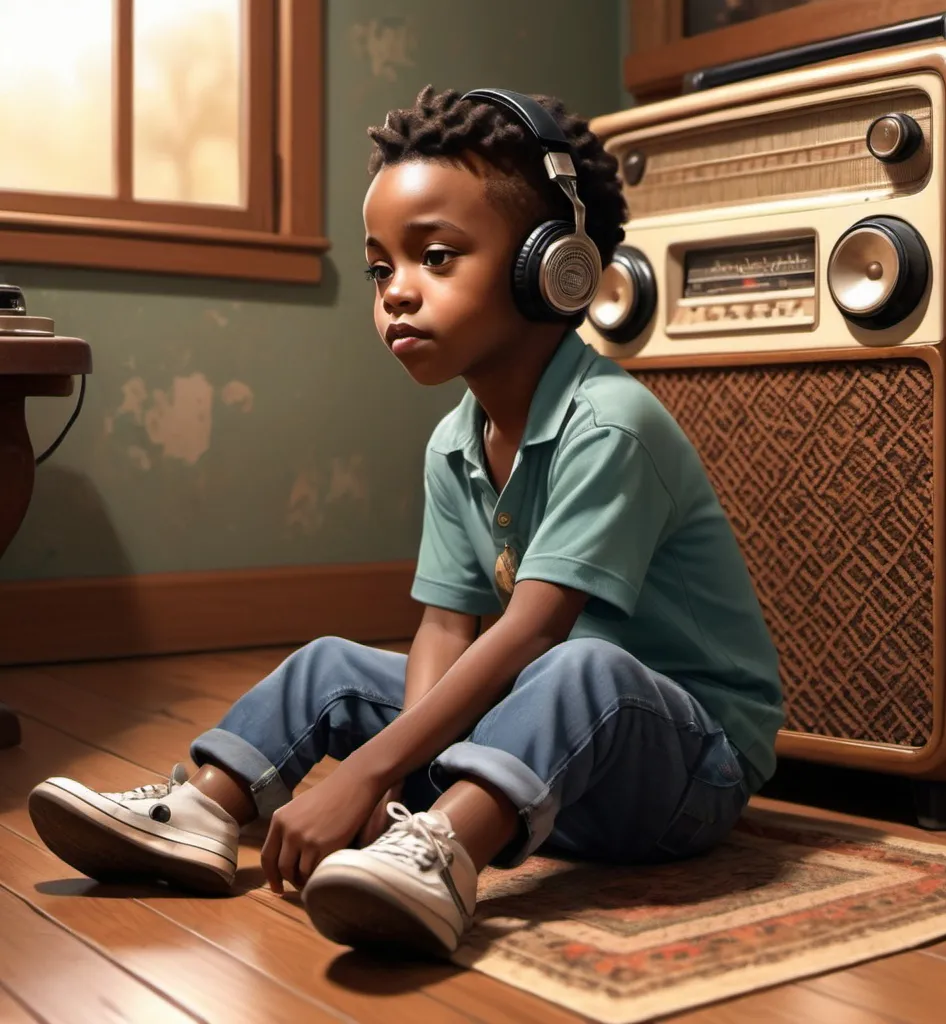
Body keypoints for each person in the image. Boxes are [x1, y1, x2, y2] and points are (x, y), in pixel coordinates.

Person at [28, 85, 784, 959]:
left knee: (585, 668)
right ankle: (206, 808)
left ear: (552, 266)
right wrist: (406, 779)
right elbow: (445, 625)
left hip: (685, 772)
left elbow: (535, 635)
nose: (396, 293)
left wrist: (369, 772)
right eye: (382, 268)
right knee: (331, 667)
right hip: (548, 761)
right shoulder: (453, 443)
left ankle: (444, 854)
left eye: (435, 256)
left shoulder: (612, 425)